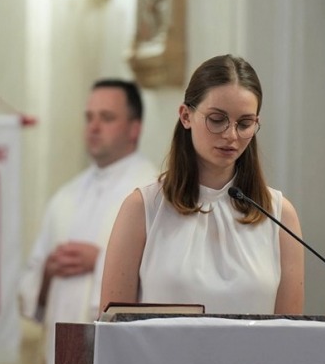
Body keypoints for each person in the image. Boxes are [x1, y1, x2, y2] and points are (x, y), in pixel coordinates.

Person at [100, 54, 304, 315]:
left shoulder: (280, 215)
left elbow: (291, 332)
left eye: (244, 124)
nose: (231, 135)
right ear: (186, 116)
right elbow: (111, 328)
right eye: (217, 120)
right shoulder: (142, 208)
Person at [18, 79, 157, 364]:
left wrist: (102, 263)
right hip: (63, 352)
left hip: (113, 356)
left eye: (107, 118)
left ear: (134, 128)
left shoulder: (154, 193)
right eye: (89, 117)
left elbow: (164, 277)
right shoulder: (66, 196)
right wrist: (48, 271)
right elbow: (31, 282)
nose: (94, 127)